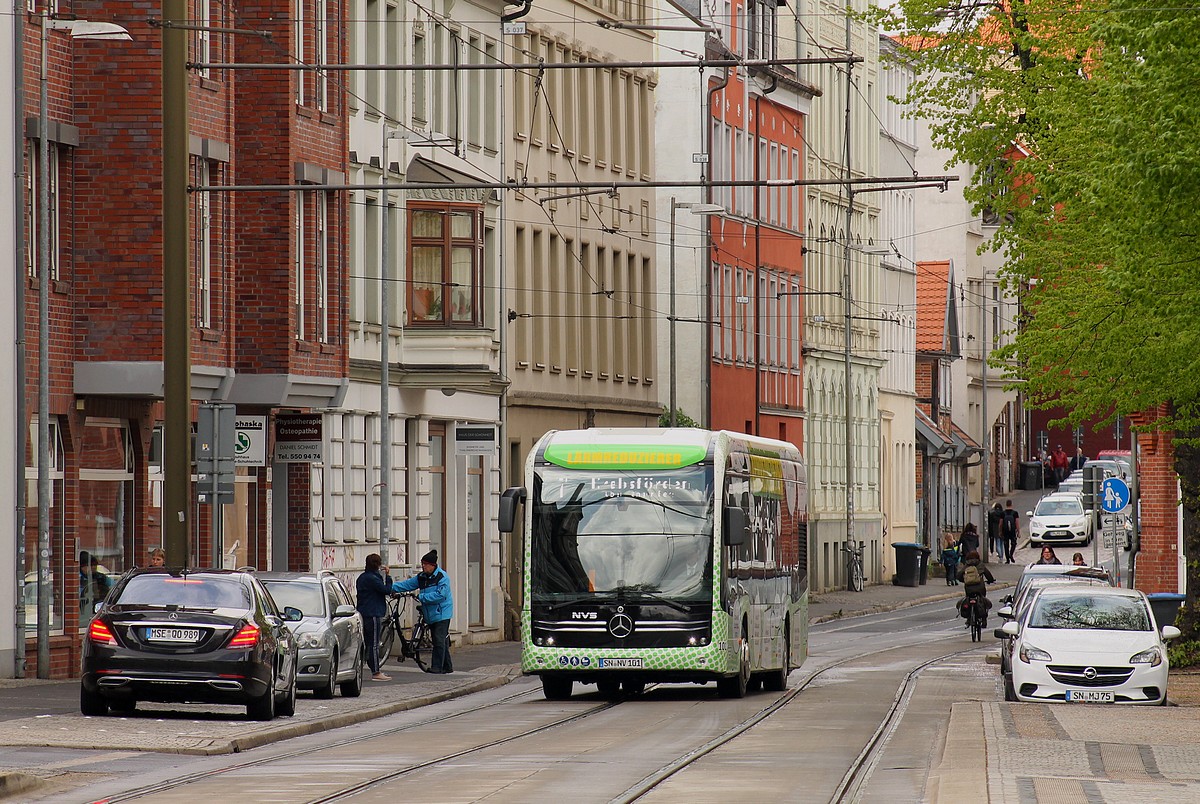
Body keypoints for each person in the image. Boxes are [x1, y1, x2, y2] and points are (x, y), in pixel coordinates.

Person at [392, 549, 454, 674]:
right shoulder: (422, 577)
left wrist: (421, 597)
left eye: (425, 564)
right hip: (430, 613)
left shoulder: (442, 577)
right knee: (440, 640)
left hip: (442, 613)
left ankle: (437, 667)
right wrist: (389, 588)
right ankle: (447, 666)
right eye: (422, 564)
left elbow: (440, 595)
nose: (423, 566)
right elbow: (407, 584)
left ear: (433, 565)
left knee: (438, 639)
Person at [356, 553, 393, 682]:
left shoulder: (362, 577)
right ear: (378, 565)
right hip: (373, 613)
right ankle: (376, 671)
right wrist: (388, 577)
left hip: (363, 612)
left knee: (365, 642)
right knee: (374, 644)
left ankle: (361, 668)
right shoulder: (373, 578)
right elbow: (386, 590)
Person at [956, 550, 995, 626]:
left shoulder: (967, 565)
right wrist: (990, 580)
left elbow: (959, 576)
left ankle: (969, 618)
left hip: (969, 588)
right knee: (982, 600)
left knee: (968, 599)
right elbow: (988, 574)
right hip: (980, 588)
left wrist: (964, 580)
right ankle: (984, 619)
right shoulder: (980, 565)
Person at [1001, 500, 1020, 564]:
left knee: (1006, 545)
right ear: (1011, 504)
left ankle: (1007, 560)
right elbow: (1017, 523)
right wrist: (1018, 532)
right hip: (1012, 531)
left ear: (1006, 504)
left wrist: (1000, 531)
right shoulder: (1015, 513)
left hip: (1005, 531)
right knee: (1013, 543)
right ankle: (1011, 554)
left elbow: (1000, 523)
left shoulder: (1003, 513)